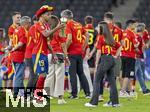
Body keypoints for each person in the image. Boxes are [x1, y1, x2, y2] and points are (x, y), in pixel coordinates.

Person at [85, 21, 121, 107]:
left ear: (101, 28)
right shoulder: (110, 37)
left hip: (104, 59)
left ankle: (93, 103)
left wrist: (97, 64)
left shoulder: (100, 37)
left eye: (98, 26)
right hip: (111, 59)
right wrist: (115, 56)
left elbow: (99, 51)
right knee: (112, 82)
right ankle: (114, 102)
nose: (97, 28)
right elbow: (119, 46)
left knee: (96, 80)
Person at [32, 5, 65, 100]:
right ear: (41, 15)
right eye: (48, 14)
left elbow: (48, 40)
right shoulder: (38, 25)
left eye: (50, 14)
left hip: (45, 53)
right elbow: (46, 34)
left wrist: (53, 54)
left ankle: (39, 96)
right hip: (38, 53)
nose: (50, 16)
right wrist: (57, 28)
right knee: (42, 75)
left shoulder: (46, 25)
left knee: (45, 75)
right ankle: (37, 97)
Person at [61, 9, 90, 99]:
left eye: (62, 17)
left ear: (65, 17)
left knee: (72, 73)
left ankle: (74, 94)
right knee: (81, 73)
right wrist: (83, 47)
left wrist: (65, 47)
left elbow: (69, 38)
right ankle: (88, 93)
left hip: (72, 52)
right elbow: (87, 35)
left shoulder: (68, 24)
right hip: (79, 52)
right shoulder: (78, 24)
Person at [44, 15, 70, 104]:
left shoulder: (47, 31)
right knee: (59, 76)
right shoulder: (59, 31)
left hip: (49, 55)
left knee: (49, 75)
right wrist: (66, 57)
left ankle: (46, 96)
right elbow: (63, 45)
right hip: (58, 54)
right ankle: (60, 98)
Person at [10, 16, 31, 98]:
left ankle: (21, 93)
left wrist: (12, 49)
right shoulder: (23, 31)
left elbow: (12, 41)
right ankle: (15, 94)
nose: (30, 24)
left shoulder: (16, 29)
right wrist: (14, 48)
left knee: (18, 75)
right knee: (19, 76)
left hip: (14, 56)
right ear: (25, 23)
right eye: (29, 23)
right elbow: (21, 43)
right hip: (20, 55)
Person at [120, 19, 139, 97]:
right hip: (130, 56)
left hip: (123, 55)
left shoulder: (122, 33)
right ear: (130, 25)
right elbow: (135, 46)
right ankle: (122, 92)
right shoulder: (132, 33)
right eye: (134, 25)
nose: (135, 27)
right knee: (128, 75)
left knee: (125, 75)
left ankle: (129, 91)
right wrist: (137, 44)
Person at [135, 23, 150, 95]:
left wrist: (146, 45)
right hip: (136, 55)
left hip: (139, 55)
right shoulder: (137, 36)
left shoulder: (141, 34)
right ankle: (128, 90)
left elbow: (147, 41)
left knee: (140, 72)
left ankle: (144, 89)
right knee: (134, 73)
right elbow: (136, 47)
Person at [25, 15, 38, 98]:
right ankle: (27, 95)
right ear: (35, 21)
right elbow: (36, 41)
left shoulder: (34, 28)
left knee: (34, 75)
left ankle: (32, 93)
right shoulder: (34, 28)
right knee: (33, 76)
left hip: (32, 54)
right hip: (30, 55)